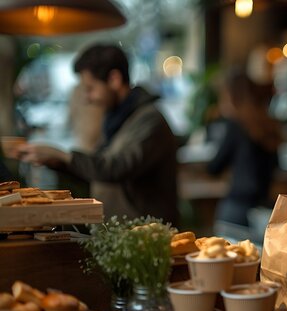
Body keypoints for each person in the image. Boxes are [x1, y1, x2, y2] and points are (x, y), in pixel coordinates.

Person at [19, 44, 179, 225]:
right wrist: (58, 163)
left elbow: (115, 168)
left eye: (90, 88)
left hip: (149, 240)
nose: (87, 97)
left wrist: (63, 155)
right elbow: (97, 171)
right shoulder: (117, 119)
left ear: (114, 79)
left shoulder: (149, 121)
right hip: (122, 237)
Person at [206, 69, 282, 228]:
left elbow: (214, 167)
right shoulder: (269, 124)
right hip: (264, 209)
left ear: (231, 96)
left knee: (223, 251)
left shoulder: (236, 126)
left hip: (237, 207)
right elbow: (276, 165)